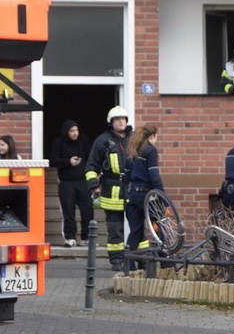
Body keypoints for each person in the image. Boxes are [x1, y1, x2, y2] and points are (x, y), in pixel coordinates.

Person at [86, 105, 133, 271]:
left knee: (137, 227)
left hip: (132, 189)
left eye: (123, 119)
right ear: (111, 122)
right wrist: (93, 185)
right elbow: (91, 165)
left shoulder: (134, 138)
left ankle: (139, 258)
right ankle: (117, 260)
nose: (121, 121)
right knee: (115, 230)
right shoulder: (102, 141)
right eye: (117, 119)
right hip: (111, 190)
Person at [125, 125, 165, 268]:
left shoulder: (132, 150)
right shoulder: (150, 150)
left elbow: (126, 175)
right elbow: (154, 176)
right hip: (148, 197)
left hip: (133, 196)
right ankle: (166, 265)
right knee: (159, 229)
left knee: (135, 232)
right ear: (152, 136)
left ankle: (129, 266)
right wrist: (163, 199)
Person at [49, 119, 93, 247]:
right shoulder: (58, 142)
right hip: (66, 182)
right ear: (66, 132)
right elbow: (53, 160)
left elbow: (90, 156)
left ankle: (86, 238)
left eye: (76, 130)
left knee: (88, 211)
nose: (75, 133)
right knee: (68, 211)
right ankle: (70, 238)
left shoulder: (83, 140)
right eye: (72, 131)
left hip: (83, 181)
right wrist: (69, 161)